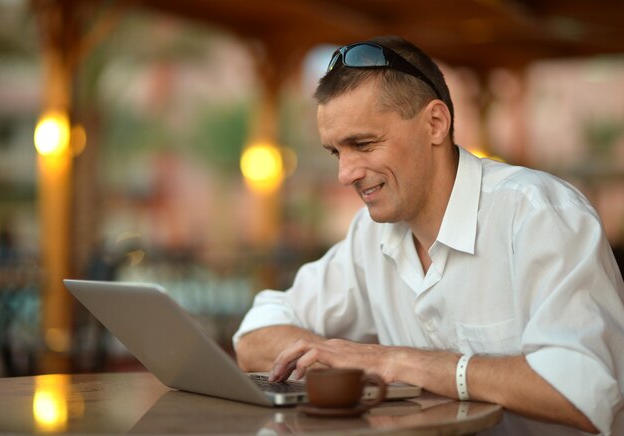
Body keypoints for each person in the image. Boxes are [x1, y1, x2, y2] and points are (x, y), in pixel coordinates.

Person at [233, 35, 624, 435]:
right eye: (337, 152)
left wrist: (397, 362)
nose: (344, 174)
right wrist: (343, 357)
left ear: (435, 124)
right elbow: (253, 337)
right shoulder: (369, 235)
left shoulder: (540, 213)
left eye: (364, 144)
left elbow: (582, 393)